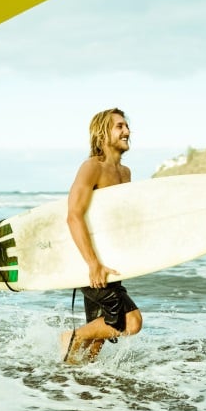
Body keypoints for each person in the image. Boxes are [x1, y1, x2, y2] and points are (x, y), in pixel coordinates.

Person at [61, 108, 142, 364]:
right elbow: (73, 215)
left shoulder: (126, 173)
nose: (127, 132)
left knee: (95, 344)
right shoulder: (91, 168)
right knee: (131, 322)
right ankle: (69, 336)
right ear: (102, 132)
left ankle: (68, 378)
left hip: (110, 260)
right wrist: (92, 263)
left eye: (126, 126)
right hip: (89, 261)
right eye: (119, 127)